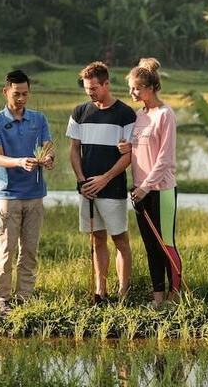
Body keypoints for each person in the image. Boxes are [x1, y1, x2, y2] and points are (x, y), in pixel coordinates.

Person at [0, 69, 54, 316]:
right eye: (16, 94)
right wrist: (20, 162)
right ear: (6, 92)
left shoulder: (39, 119)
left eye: (25, 94)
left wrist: (47, 160)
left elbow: (48, 149)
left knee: (30, 250)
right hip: (8, 196)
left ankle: (25, 297)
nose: (21, 98)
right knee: (6, 249)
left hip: (35, 194)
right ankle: (2, 299)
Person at [66, 61, 136, 303]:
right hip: (87, 190)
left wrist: (105, 179)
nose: (90, 92)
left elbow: (129, 155)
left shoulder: (126, 114)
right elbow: (74, 150)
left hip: (113, 188)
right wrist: (81, 180)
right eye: (87, 88)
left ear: (106, 84)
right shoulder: (79, 112)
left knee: (120, 240)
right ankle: (100, 291)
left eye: (94, 88)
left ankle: (124, 291)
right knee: (97, 238)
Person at [120, 58, 183, 309]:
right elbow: (139, 148)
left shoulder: (165, 115)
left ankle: (175, 296)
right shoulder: (138, 116)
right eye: (131, 88)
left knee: (166, 242)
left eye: (135, 88)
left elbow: (165, 158)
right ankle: (157, 298)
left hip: (161, 190)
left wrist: (146, 186)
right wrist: (127, 147)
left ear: (151, 87)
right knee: (150, 246)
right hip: (139, 191)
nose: (132, 93)